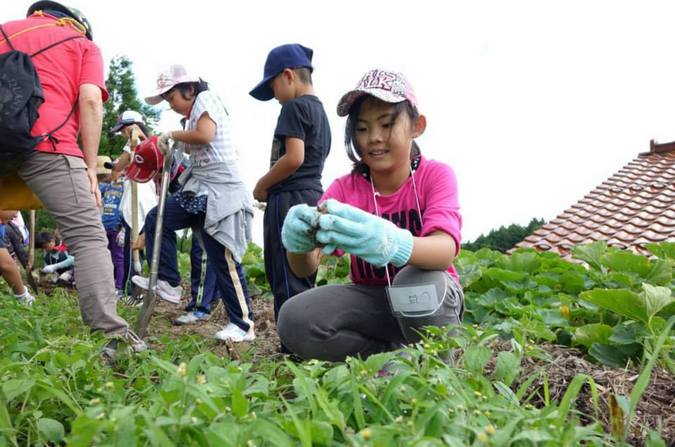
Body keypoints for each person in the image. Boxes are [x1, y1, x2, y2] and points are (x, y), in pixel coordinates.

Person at [277, 69, 465, 361]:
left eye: (387, 124)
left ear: (417, 125)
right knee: (295, 317)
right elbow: (305, 268)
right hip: (373, 301)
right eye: (362, 129)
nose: (374, 138)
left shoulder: (435, 176)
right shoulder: (345, 189)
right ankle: (388, 362)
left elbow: (444, 250)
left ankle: (439, 370)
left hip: (431, 298)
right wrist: (299, 241)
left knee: (412, 281)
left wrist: (391, 242)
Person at [0, 2, 145, 354]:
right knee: (88, 237)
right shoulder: (82, 44)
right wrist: (85, 164)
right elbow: (91, 101)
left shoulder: (5, 30)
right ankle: (113, 337)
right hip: (49, 144)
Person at [134, 64, 255, 342]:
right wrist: (171, 144)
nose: (171, 105)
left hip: (221, 189)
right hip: (199, 187)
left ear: (189, 89)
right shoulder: (190, 115)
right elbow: (192, 146)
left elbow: (205, 135)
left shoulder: (206, 99)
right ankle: (169, 282)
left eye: (171, 97)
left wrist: (172, 136)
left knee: (223, 258)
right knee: (158, 219)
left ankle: (243, 325)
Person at [249, 43, 331, 348]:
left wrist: (262, 184)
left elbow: (293, 157)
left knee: (284, 276)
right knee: (303, 275)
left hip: (288, 199)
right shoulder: (320, 112)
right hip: (312, 195)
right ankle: (306, 342)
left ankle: (293, 348)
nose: (275, 98)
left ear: (288, 76)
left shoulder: (294, 108)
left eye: (273, 88)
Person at [97, 156, 125, 295]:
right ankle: (106, 285)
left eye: (115, 169)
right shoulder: (107, 186)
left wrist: (124, 228)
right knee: (104, 258)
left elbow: (128, 208)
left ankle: (119, 287)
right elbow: (93, 187)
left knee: (118, 258)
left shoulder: (126, 187)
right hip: (104, 226)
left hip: (116, 227)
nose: (112, 172)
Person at [0, 210, 35, 305]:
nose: (16, 215)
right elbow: (5, 264)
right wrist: (22, 295)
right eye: (14, 208)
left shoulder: (4, 226)